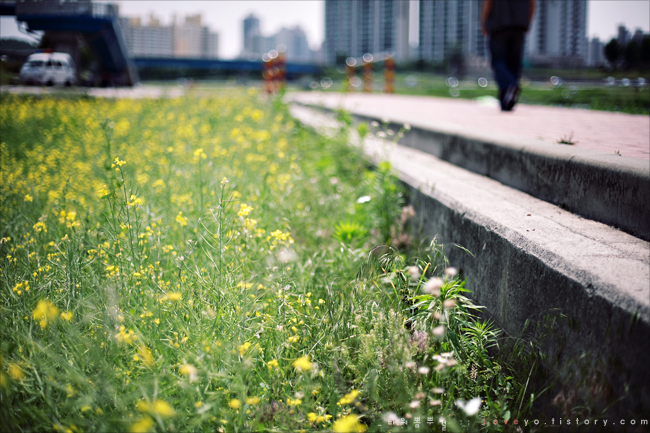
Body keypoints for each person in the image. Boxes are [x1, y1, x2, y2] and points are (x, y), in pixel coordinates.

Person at [481, 0, 535, 111]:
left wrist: (484, 22)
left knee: (497, 61)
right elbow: (532, 3)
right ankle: (507, 103)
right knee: (514, 64)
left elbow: (488, 2)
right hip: (519, 25)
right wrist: (527, 22)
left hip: (498, 25)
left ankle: (510, 85)